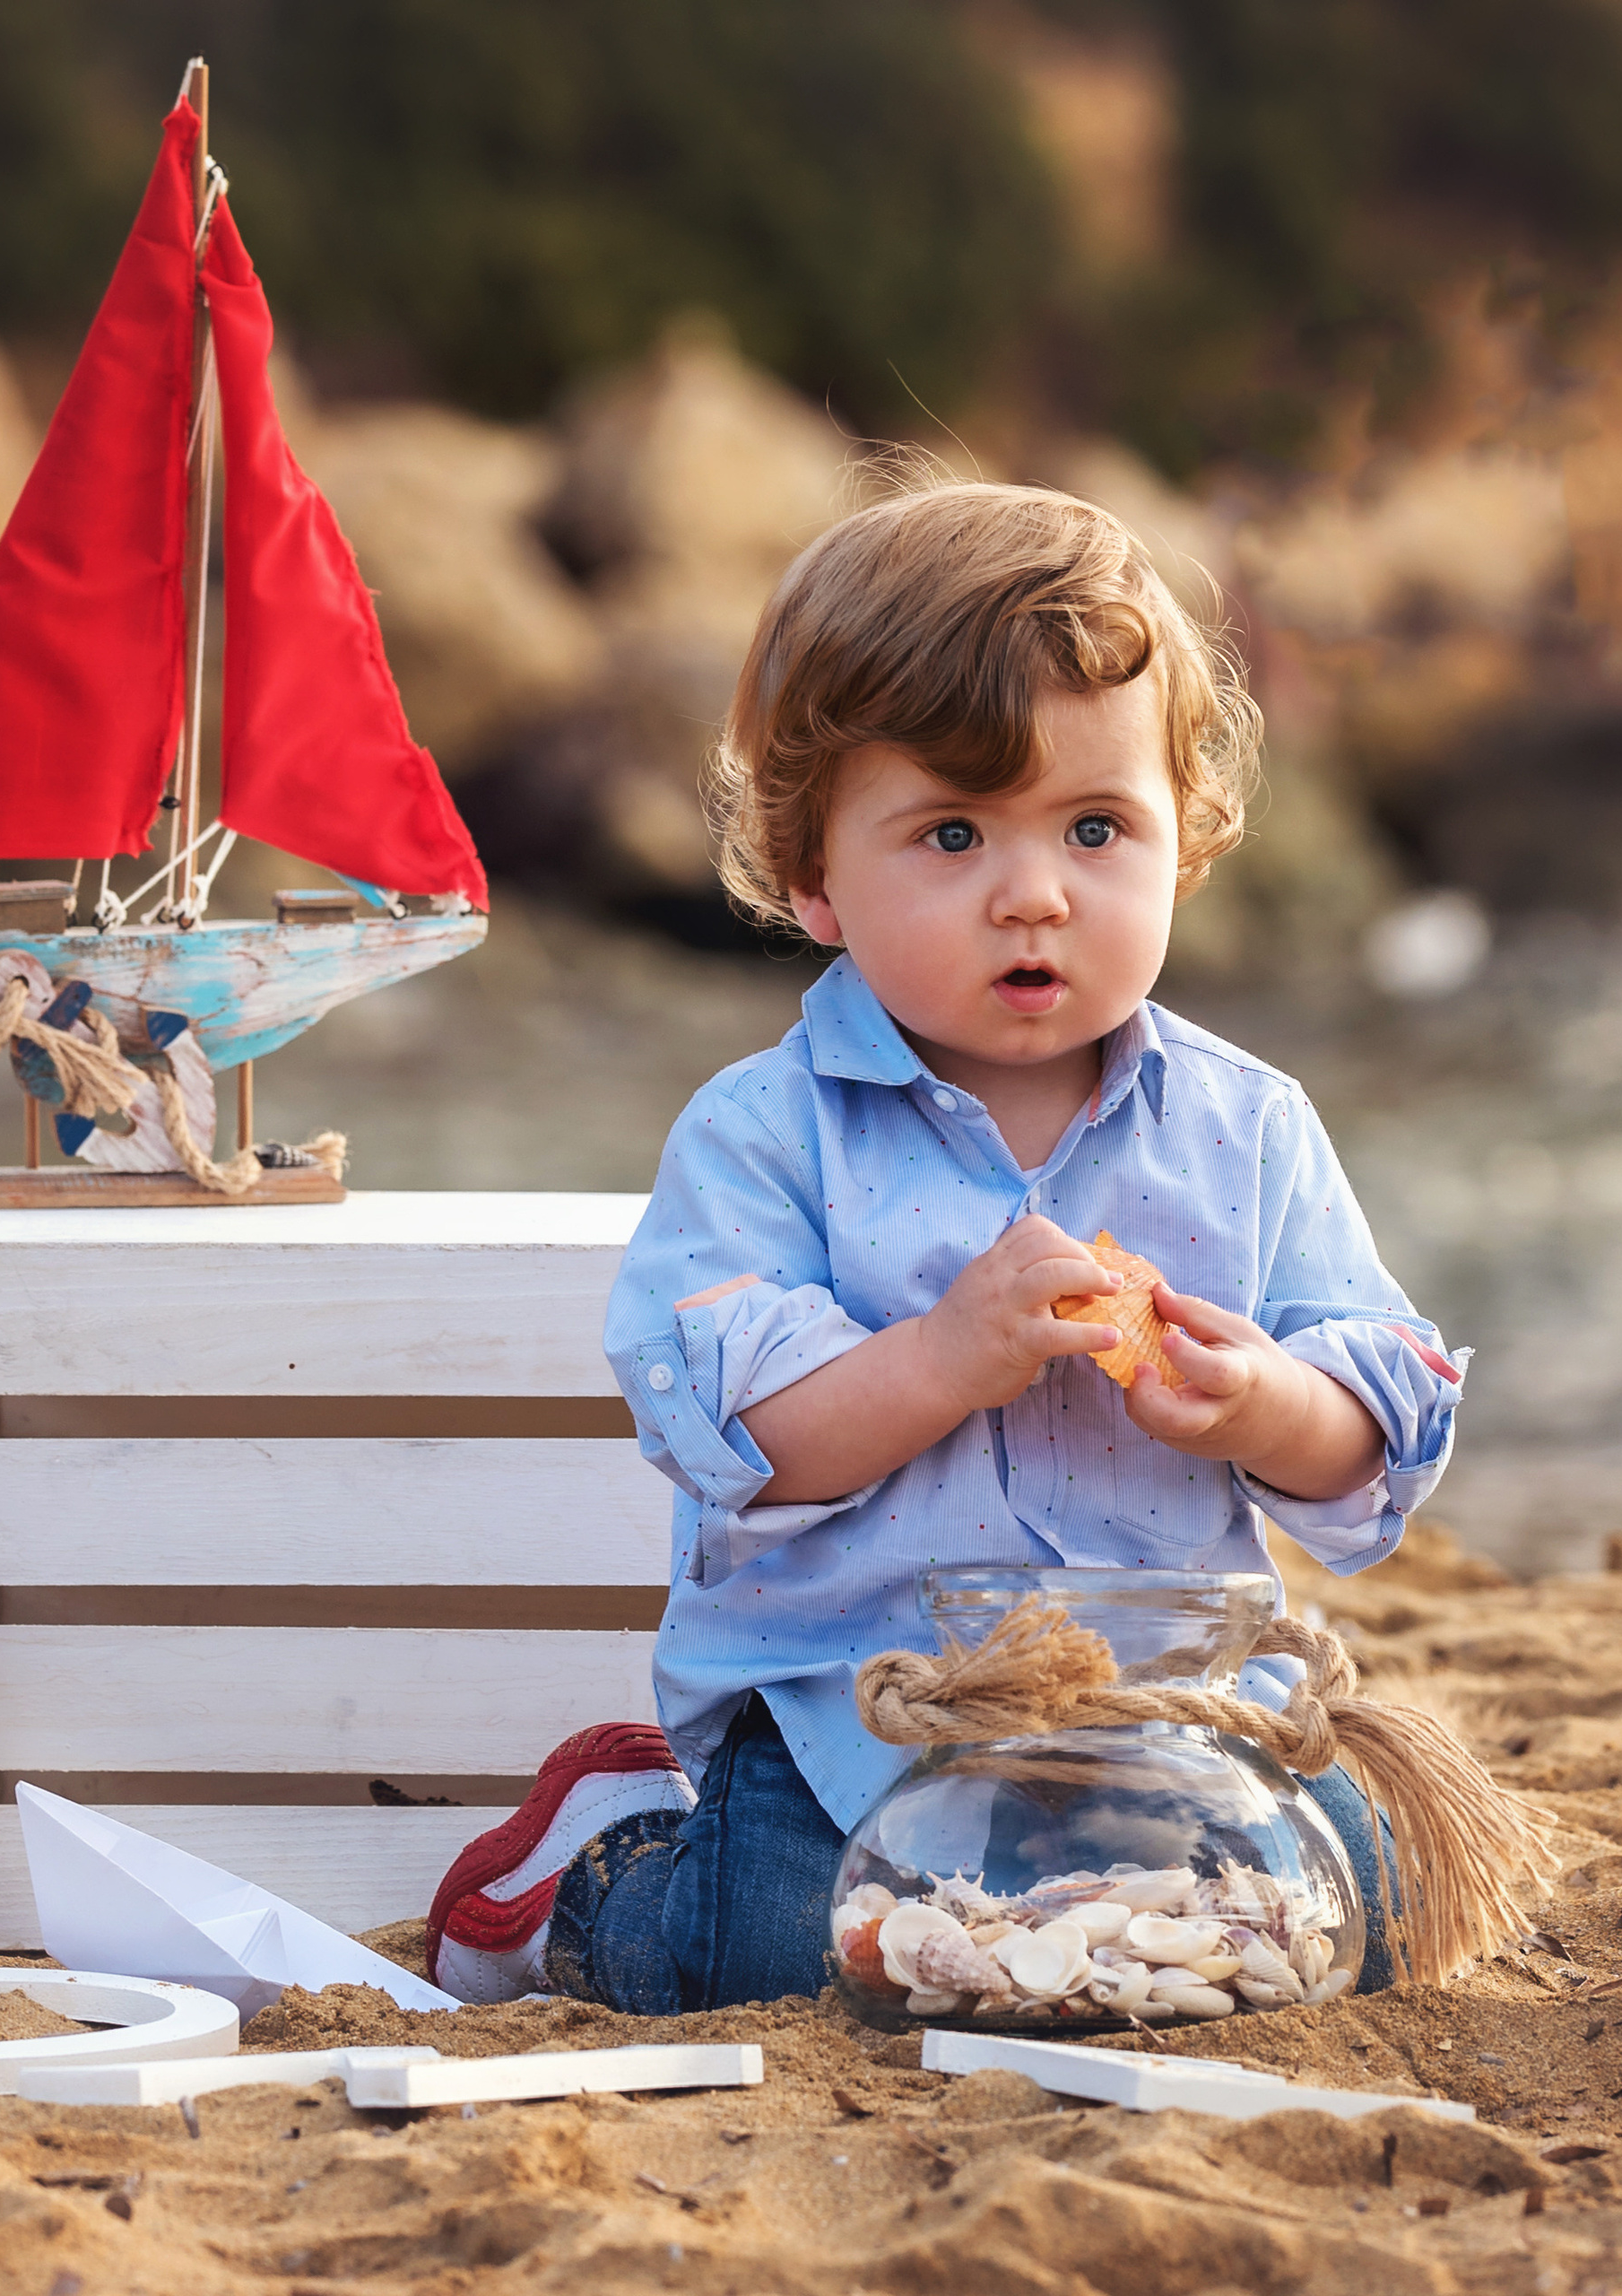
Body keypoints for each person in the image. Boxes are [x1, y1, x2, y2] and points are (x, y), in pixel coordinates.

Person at [427, 482, 1464, 2009]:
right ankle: (591, 1876)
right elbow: (745, 1438)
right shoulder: (766, 1135)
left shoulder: (1245, 1128)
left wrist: (1263, 1406)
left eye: (1097, 828)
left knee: (1352, 1912)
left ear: (1185, 841)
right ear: (815, 876)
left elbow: (1376, 1419)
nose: (1033, 894)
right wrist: (944, 1356)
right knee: (783, 1948)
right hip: (863, 1723)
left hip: (1164, 1718)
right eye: (954, 834)